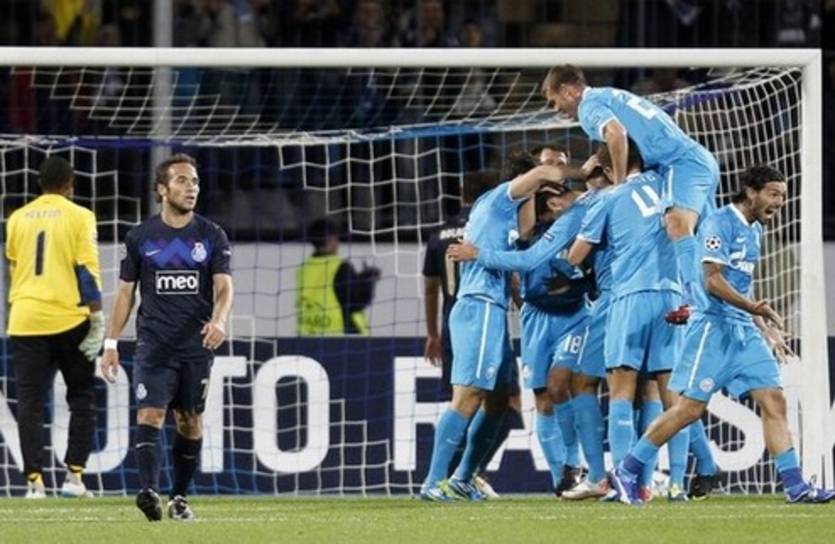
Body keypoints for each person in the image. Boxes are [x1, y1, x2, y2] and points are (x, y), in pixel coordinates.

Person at [608, 166, 835, 505]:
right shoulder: (719, 223)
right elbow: (712, 280)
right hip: (712, 329)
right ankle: (626, 471)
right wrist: (755, 308)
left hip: (743, 331)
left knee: (774, 401)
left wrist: (765, 329)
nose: (780, 202)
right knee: (688, 410)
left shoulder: (754, 230)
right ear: (751, 191)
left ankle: (795, 485)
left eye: (783, 196)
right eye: (773, 194)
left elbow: (742, 285)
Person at [420, 153, 578, 501]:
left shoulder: (506, 216)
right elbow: (541, 174)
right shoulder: (499, 198)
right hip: (478, 306)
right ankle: (433, 482)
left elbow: (524, 240)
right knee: (468, 396)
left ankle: (463, 478)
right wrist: (577, 171)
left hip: (492, 310)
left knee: (499, 402)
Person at [100, 153, 233, 521]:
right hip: (154, 345)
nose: (192, 188)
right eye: (182, 181)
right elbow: (125, 294)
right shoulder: (140, 237)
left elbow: (224, 287)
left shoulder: (211, 235)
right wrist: (110, 344)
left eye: (195, 182)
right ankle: (148, 492)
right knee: (151, 412)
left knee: (189, 420)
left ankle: (179, 497)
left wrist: (219, 320)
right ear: (162, 189)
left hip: (195, 345)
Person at [542, 64, 720, 324]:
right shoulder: (610, 94)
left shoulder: (588, 106)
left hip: (678, 164)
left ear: (568, 90)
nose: (556, 108)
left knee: (676, 224)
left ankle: (694, 302)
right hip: (699, 159)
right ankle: (726, 306)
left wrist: (620, 185)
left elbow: (616, 133)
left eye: (553, 100)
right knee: (710, 242)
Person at [566, 143, 691, 501]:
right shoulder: (670, 186)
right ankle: (675, 484)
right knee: (671, 396)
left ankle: (624, 481)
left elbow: (575, 256)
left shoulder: (608, 197)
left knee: (621, 390)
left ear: (608, 169)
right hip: (671, 296)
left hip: (629, 296)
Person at [5, 156, 104, 499]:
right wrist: (97, 317)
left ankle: (34, 482)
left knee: (30, 403)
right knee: (82, 397)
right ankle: (74, 478)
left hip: (25, 320)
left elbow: (13, 268)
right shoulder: (80, 216)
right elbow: (86, 270)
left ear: (40, 184)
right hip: (69, 319)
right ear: (69, 185)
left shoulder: (17, 218)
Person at [297, 218, 380, 336]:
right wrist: (369, 281)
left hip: (310, 334)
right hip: (340, 336)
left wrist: (358, 279)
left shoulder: (303, 269)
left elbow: (328, 291)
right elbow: (355, 302)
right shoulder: (340, 267)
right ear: (331, 239)